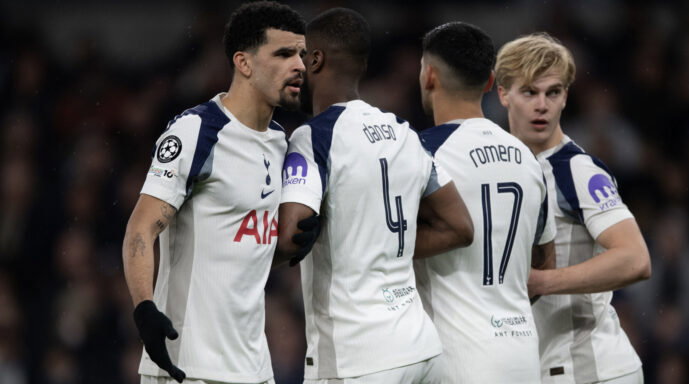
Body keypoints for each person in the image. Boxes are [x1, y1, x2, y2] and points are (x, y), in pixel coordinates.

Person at [275, 8, 474, 384]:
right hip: (421, 349)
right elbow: (460, 227)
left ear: (315, 59)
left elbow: (290, 236)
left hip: (357, 355)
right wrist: (381, 244)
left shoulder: (313, 137)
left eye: (300, 56)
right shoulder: (404, 132)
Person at [121, 2, 306, 383]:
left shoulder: (280, 143)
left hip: (254, 368)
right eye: (284, 53)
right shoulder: (196, 132)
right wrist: (144, 309)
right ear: (244, 63)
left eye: (302, 54)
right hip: (189, 366)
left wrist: (292, 246)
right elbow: (140, 229)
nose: (300, 65)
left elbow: (244, 250)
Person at [495, 33, 652, 384]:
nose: (542, 105)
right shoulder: (497, 167)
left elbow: (635, 258)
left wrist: (543, 281)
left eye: (552, 92)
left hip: (591, 370)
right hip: (537, 368)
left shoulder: (577, 170)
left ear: (566, 96)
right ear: (503, 94)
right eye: (529, 92)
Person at [413, 22, 556, 384]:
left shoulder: (419, 152)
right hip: (523, 357)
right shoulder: (528, 159)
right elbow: (544, 265)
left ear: (429, 76)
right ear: (491, 82)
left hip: (456, 360)